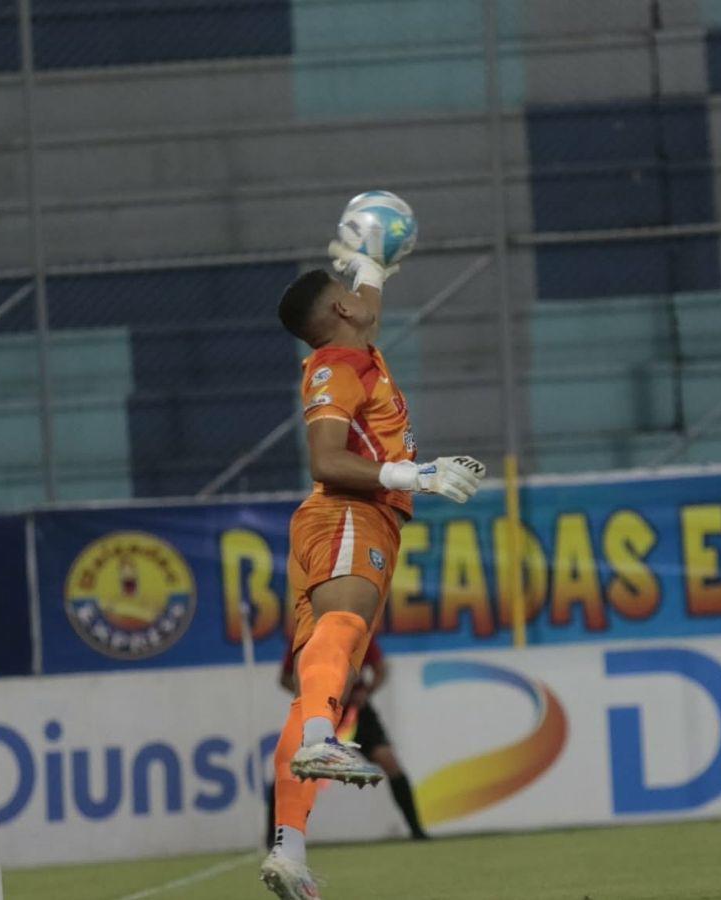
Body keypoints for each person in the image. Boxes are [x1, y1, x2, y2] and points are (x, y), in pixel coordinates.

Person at [260, 245, 484, 899]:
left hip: (353, 520)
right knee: (345, 625)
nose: (365, 300)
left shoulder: (356, 346)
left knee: (316, 691)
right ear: (338, 308)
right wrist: (417, 474)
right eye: (352, 291)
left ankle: (290, 852)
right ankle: (325, 740)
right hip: (349, 512)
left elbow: (368, 307)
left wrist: (373, 263)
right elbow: (326, 460)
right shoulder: (335, 365)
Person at [265, 635, 427, 847]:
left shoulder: (354, 632)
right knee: (288, 768)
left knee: (388, 760)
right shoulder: (304, 637)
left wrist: (367, 692)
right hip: (319, 713)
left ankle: (416, 829)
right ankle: (273, 838)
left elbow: (381, 669)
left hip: (355, 713)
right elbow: (285, 678)